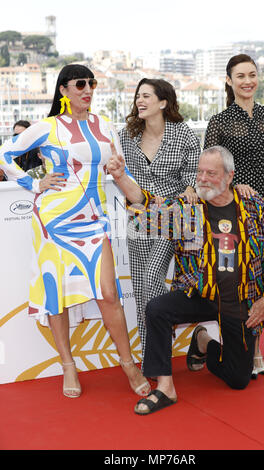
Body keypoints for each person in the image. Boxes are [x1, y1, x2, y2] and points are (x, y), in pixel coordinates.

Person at [0, 64, 150, 399]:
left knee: (109, 294)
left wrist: (118, 168)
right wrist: (34, 183)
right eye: (80, 84)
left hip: (94, 221)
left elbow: (117, 164)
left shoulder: (104, 126)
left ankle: (128, 363)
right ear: (63, 90)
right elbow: (5, 154)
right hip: (54, 222)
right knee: (58, 297)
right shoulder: (48, 127)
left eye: (92, 83)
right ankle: (68, 364)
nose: (87, 89)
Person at [110, 145, 264, 415]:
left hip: (238, 300)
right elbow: (147, 208)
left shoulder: (255, 205)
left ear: (230, 177)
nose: (203, 178)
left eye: (211, 173)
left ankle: (203, 341)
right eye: (199, 172)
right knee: (157, 309)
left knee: (239, 379)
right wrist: (121, 177)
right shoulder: (189, 208)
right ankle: (165, 387)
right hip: (200, 293)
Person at [203, 54, 264, 378]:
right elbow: (211, 171)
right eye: (240, 76)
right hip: (237, 210)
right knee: (246, 277)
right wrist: (234, 180)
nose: (247, 81)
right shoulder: (219, 122)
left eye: (252, 75)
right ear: (229, 81)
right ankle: (240, 345)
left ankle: (257, 350)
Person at [119, 78, 200, 362]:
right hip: (140, 217)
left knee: (153, 278)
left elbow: (194, 173)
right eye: (138, 96)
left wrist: (190, 187)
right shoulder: (126, 136)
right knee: (141, 288)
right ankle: (151, 356)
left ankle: (168, 332)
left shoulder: (183, 134)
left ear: (163, 102)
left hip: (175, 215)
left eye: (146, 96)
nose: (140, 101)